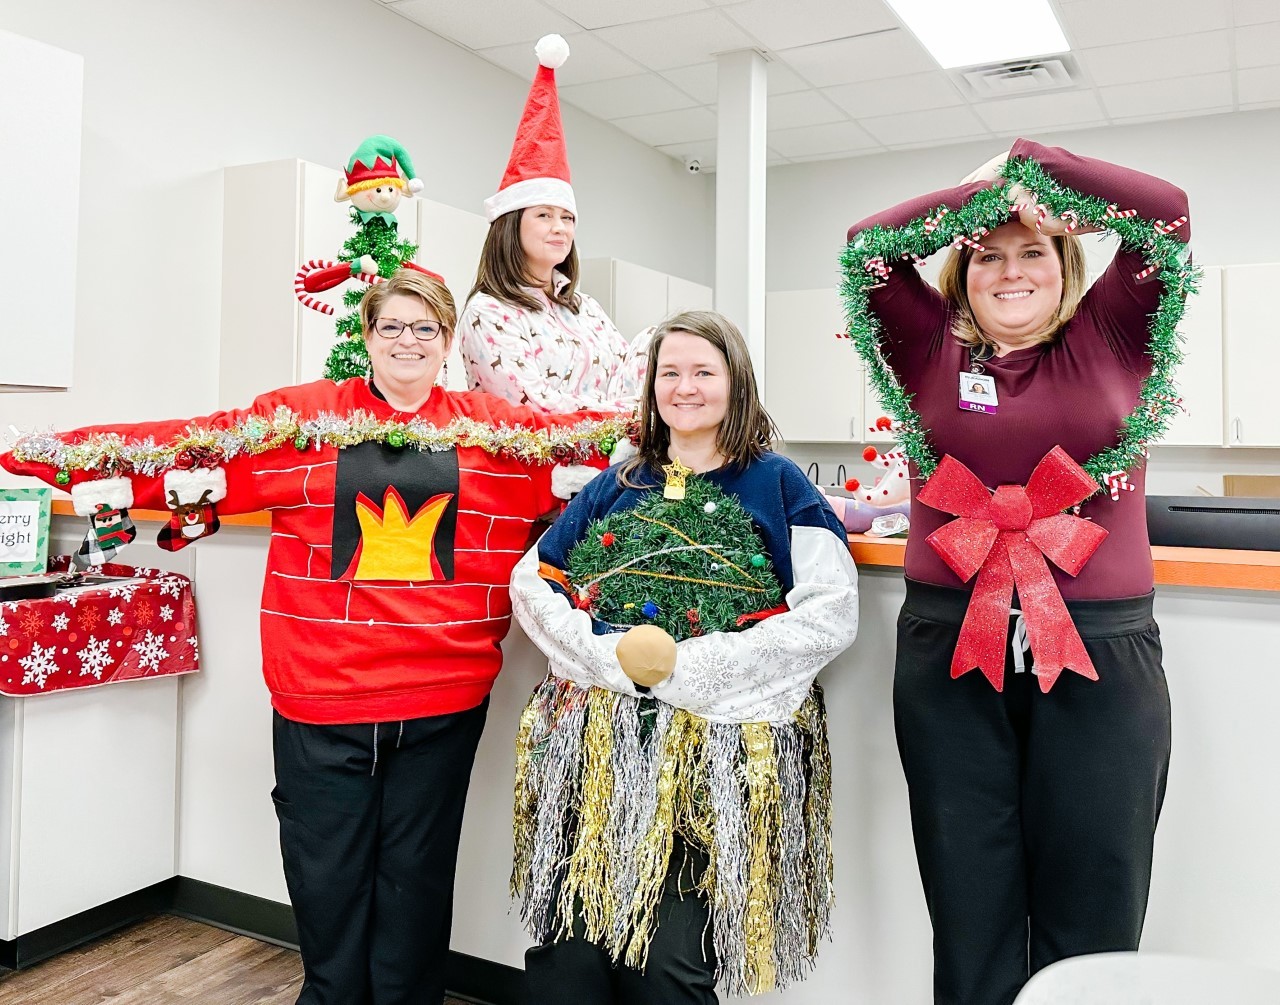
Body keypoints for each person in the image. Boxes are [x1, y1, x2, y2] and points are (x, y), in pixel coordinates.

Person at [1, 269, 624, 1005]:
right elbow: (186, 450)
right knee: (325, 877)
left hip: (443, 703)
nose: (408, 341)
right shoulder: (301, 421)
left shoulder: (495, 430)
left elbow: (600, 445)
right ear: (365, 336)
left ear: (449, 341)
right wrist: (37, 453)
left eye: (425, 327)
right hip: (322, 698)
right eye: (391, 325)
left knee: (417, 880)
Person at [845, 138, 1188, 1005]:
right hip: (949, 656)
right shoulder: (928, 350)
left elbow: (1169, 212)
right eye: (986, 253)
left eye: (1031, 248)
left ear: (1065, 257)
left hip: (1100, 661)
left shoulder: (1113, 330)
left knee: (1096, 908)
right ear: (960, 271)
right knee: (970, 904)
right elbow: (864, 246)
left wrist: (1035, 165)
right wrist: (983, 198)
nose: (1010, 270)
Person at [507, 311, 860, 1003]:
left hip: (711, 769)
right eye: (670, 372)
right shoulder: (619, 483)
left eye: (704, 371)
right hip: (596, 759)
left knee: (671, 966)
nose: (685, 387)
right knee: (569, 957)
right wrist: (608, 658)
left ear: (737, 383)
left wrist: (683, 670)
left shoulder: (778, 484)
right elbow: (535, 580)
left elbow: (829, 613)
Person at [457, 35, 649, 419]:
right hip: (533, 473)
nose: (560, 228)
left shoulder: (585, 307)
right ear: (512, 224)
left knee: (657, 337)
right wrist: (622, 412)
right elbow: (535, 406)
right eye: (544, 215)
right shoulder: (489, 311)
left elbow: (636, 375)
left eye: (567, 218)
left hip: (610, 465)